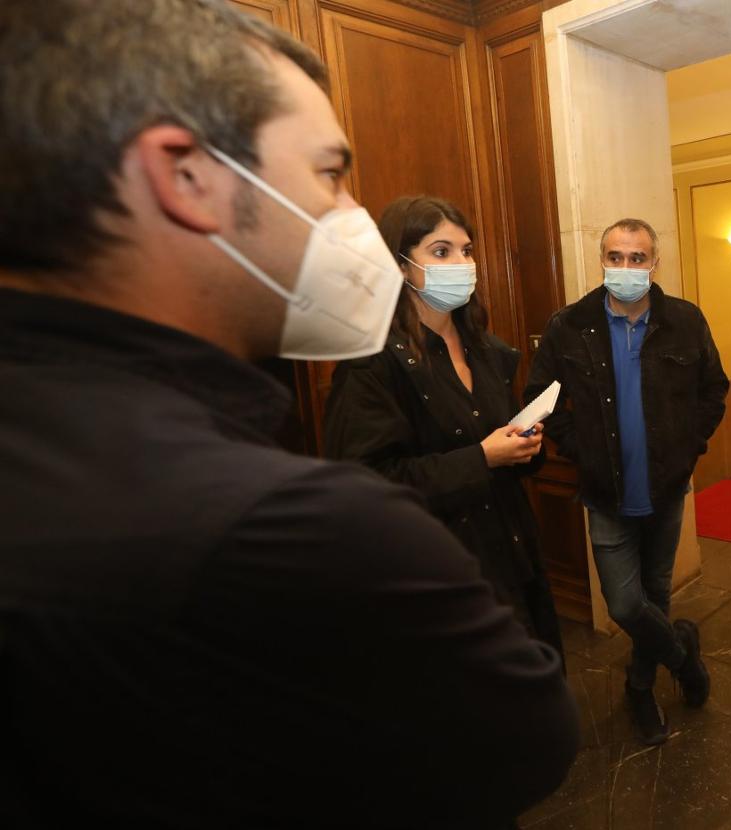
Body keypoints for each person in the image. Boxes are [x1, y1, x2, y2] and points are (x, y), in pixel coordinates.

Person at [0, 2, 577, 827]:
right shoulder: (284, 525)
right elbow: (524, 743)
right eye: (330, 174)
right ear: (186, 177)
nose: (350, 216)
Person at [323, 195, 563, 658]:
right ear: (399, 264)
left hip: (512, 555)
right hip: (438, 574)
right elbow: (364, 484)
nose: (462, 263)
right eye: (441, 251)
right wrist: (482, 458)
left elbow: (501, 440)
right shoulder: (371, 361)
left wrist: (525, 448)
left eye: (467, 250)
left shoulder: (487, 349)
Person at [524, 218, 729, 745]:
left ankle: (639, 688)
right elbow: (542, 400)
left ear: (654, 263)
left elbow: (714, 390)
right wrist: (581, 451)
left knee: (655, 594)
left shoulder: (685, 320)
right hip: (606, 492)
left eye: (638, 258)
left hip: (666, 489)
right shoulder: (569, 325)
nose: (626, 268)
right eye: (616, 257)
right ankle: (682, 656)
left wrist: (689, 446)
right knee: (624, 605)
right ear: (602, 261)